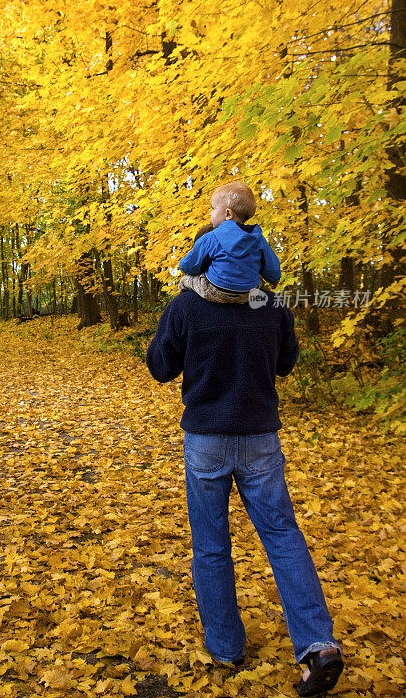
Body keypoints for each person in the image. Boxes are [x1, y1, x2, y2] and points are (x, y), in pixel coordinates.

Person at [145, 280, 343, 696]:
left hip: (207, 441)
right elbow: (287, 362)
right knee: (283, 537)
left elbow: (160, 367)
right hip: (260, 439)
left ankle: (225, 648)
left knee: (211, 544)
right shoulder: (269, 304)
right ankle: (318, 646)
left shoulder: (186, 306)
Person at [178, 182, 281, 304]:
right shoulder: (257, 239)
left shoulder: (211, 237)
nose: (210, 213)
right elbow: (271, 265)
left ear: (228, 214)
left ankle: (187, 303)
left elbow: (192, 263)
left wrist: (183, 266)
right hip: (249, 294)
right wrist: (273, 279)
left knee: (186, 280)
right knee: (258, 280)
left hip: (216, 291)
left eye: (213, 208)